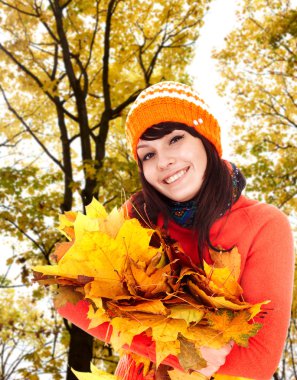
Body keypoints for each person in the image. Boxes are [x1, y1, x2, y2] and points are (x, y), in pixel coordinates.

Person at [58, 81, 294, 379]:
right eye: (148, 154)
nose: (163, 161)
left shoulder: (263, 224)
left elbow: (259, 359)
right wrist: (175, 349)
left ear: (206, 139)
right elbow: (68, 294)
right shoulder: (137, 215)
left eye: (174, 139)